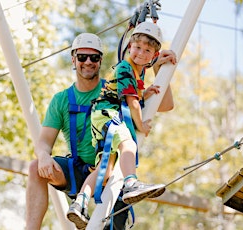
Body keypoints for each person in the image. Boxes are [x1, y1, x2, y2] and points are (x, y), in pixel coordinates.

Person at [66, 21, 177, 229]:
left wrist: (153, 78)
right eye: (137, 48)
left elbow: (134, 93)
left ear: (153, 54)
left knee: (104, 170)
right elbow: (131, 102)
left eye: (147, 50)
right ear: (129, 47)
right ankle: (131, 183)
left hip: (101, 117)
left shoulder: (138, 70)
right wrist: (141, 125)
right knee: (129, 145)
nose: (141, 54)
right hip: (108, 113)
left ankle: (80, 203)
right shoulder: (126, 68)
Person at [25, 33, 130, 230]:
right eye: (82, 57)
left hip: (111, 173)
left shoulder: (112, 91)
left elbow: (163, 105)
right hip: (78, 172)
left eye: (94, 57)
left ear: (100, 61)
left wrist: (159, 65)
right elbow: (43, 142)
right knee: (35, 167)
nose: (88, 62)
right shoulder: (61, 100)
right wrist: (43, 156)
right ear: (74, 59)